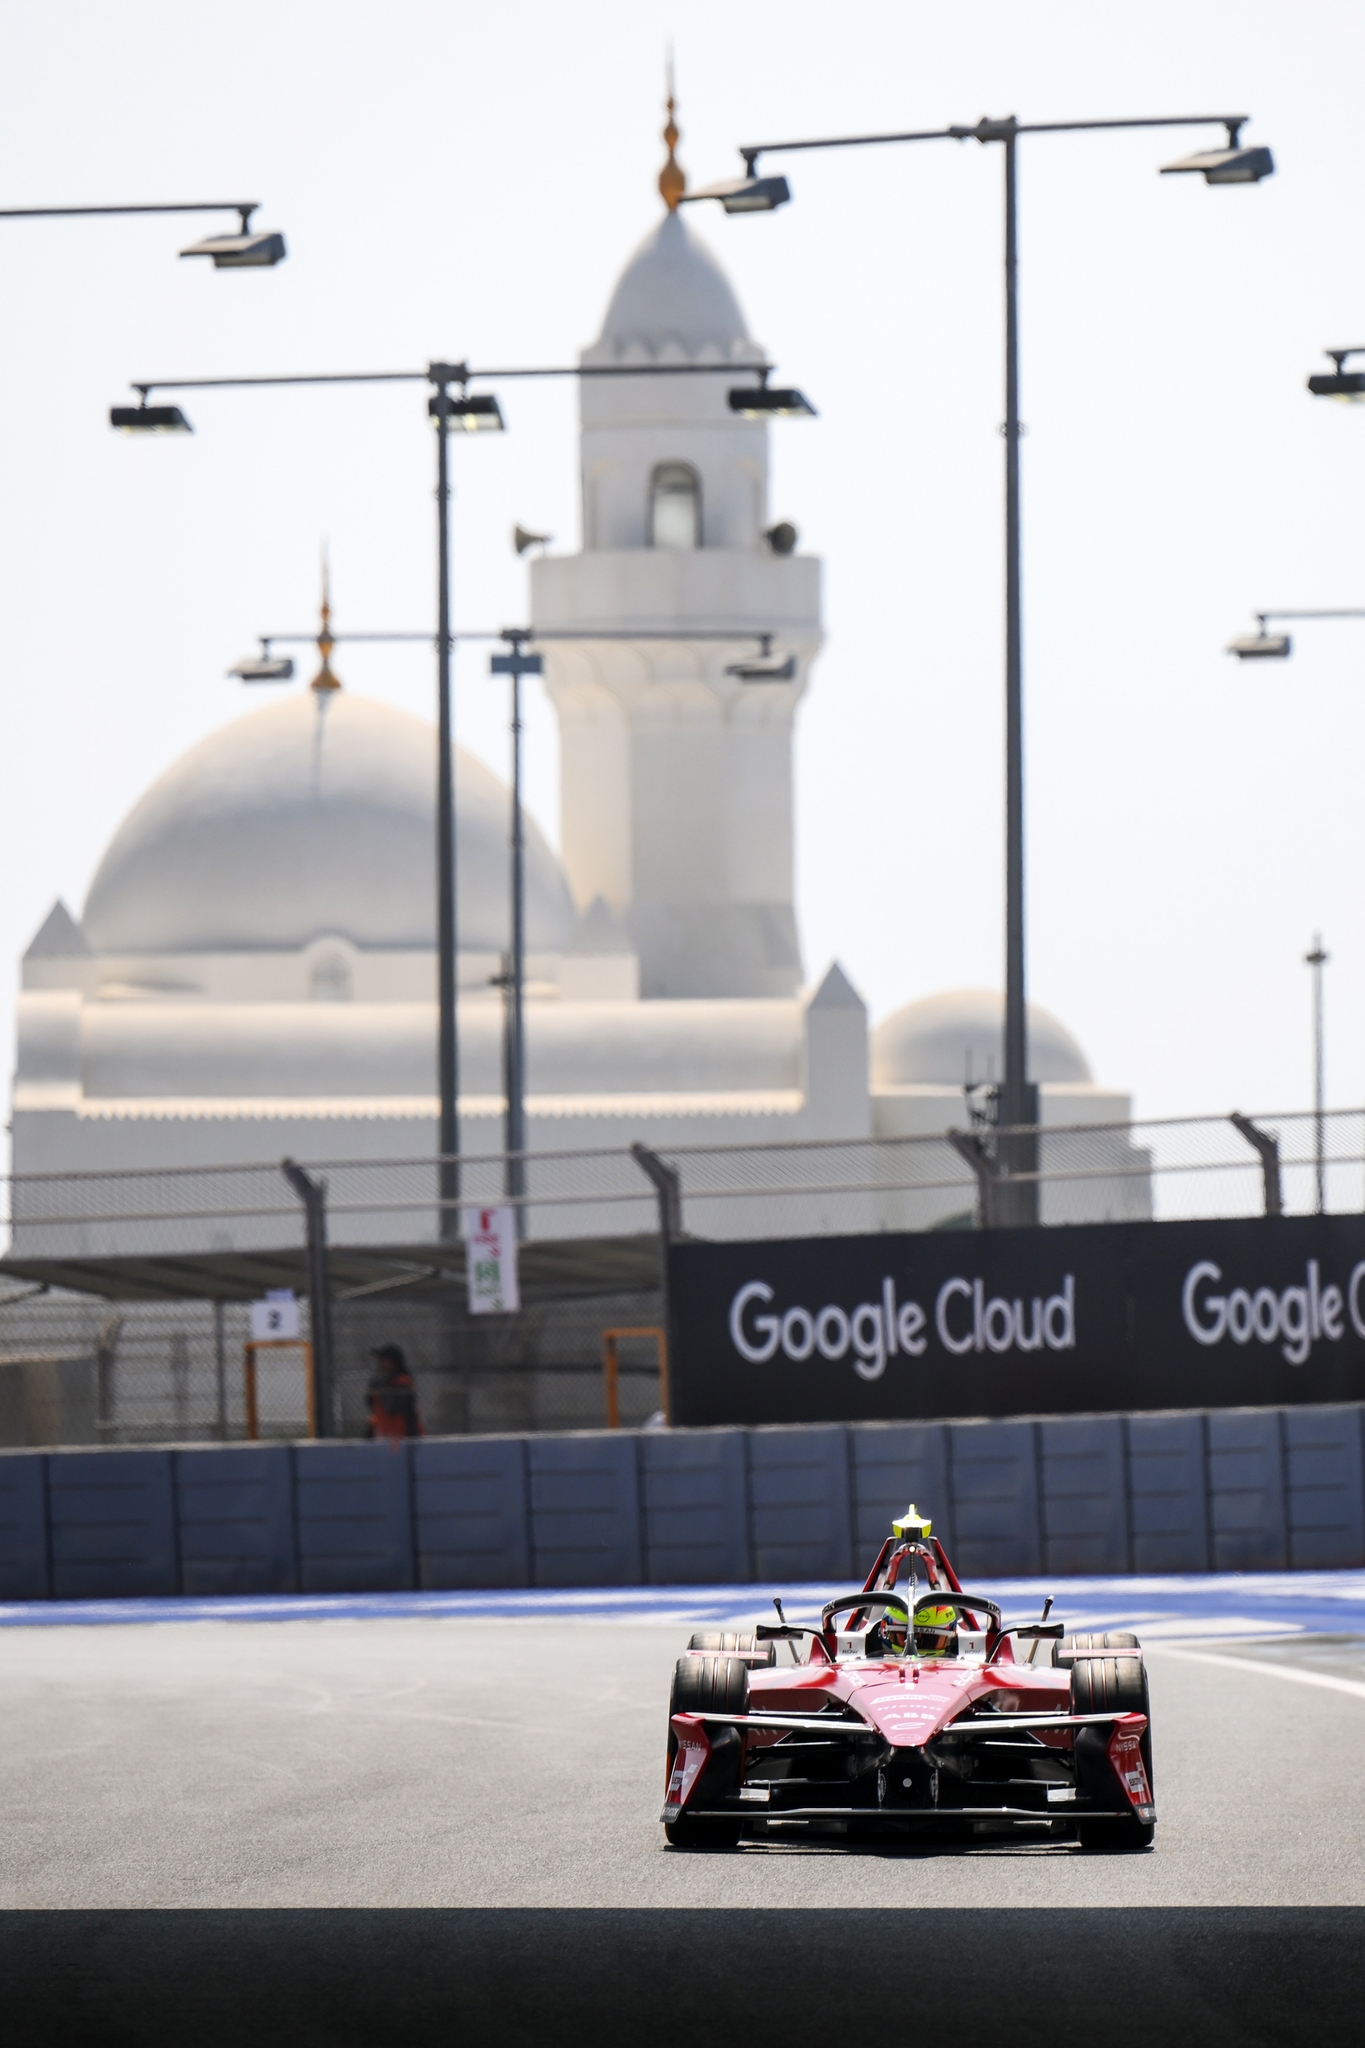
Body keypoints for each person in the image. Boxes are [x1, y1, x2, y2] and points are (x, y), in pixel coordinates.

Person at [364, 1343, 425, 1440]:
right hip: (383, 1434)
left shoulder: (403, 1381)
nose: (379, 1363)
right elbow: (371, 1405)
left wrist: (382, 1388)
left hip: (402, 1436)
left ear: (393, 1362)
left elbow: (392, 1407)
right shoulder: (381, 1380)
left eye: (383, 1360)